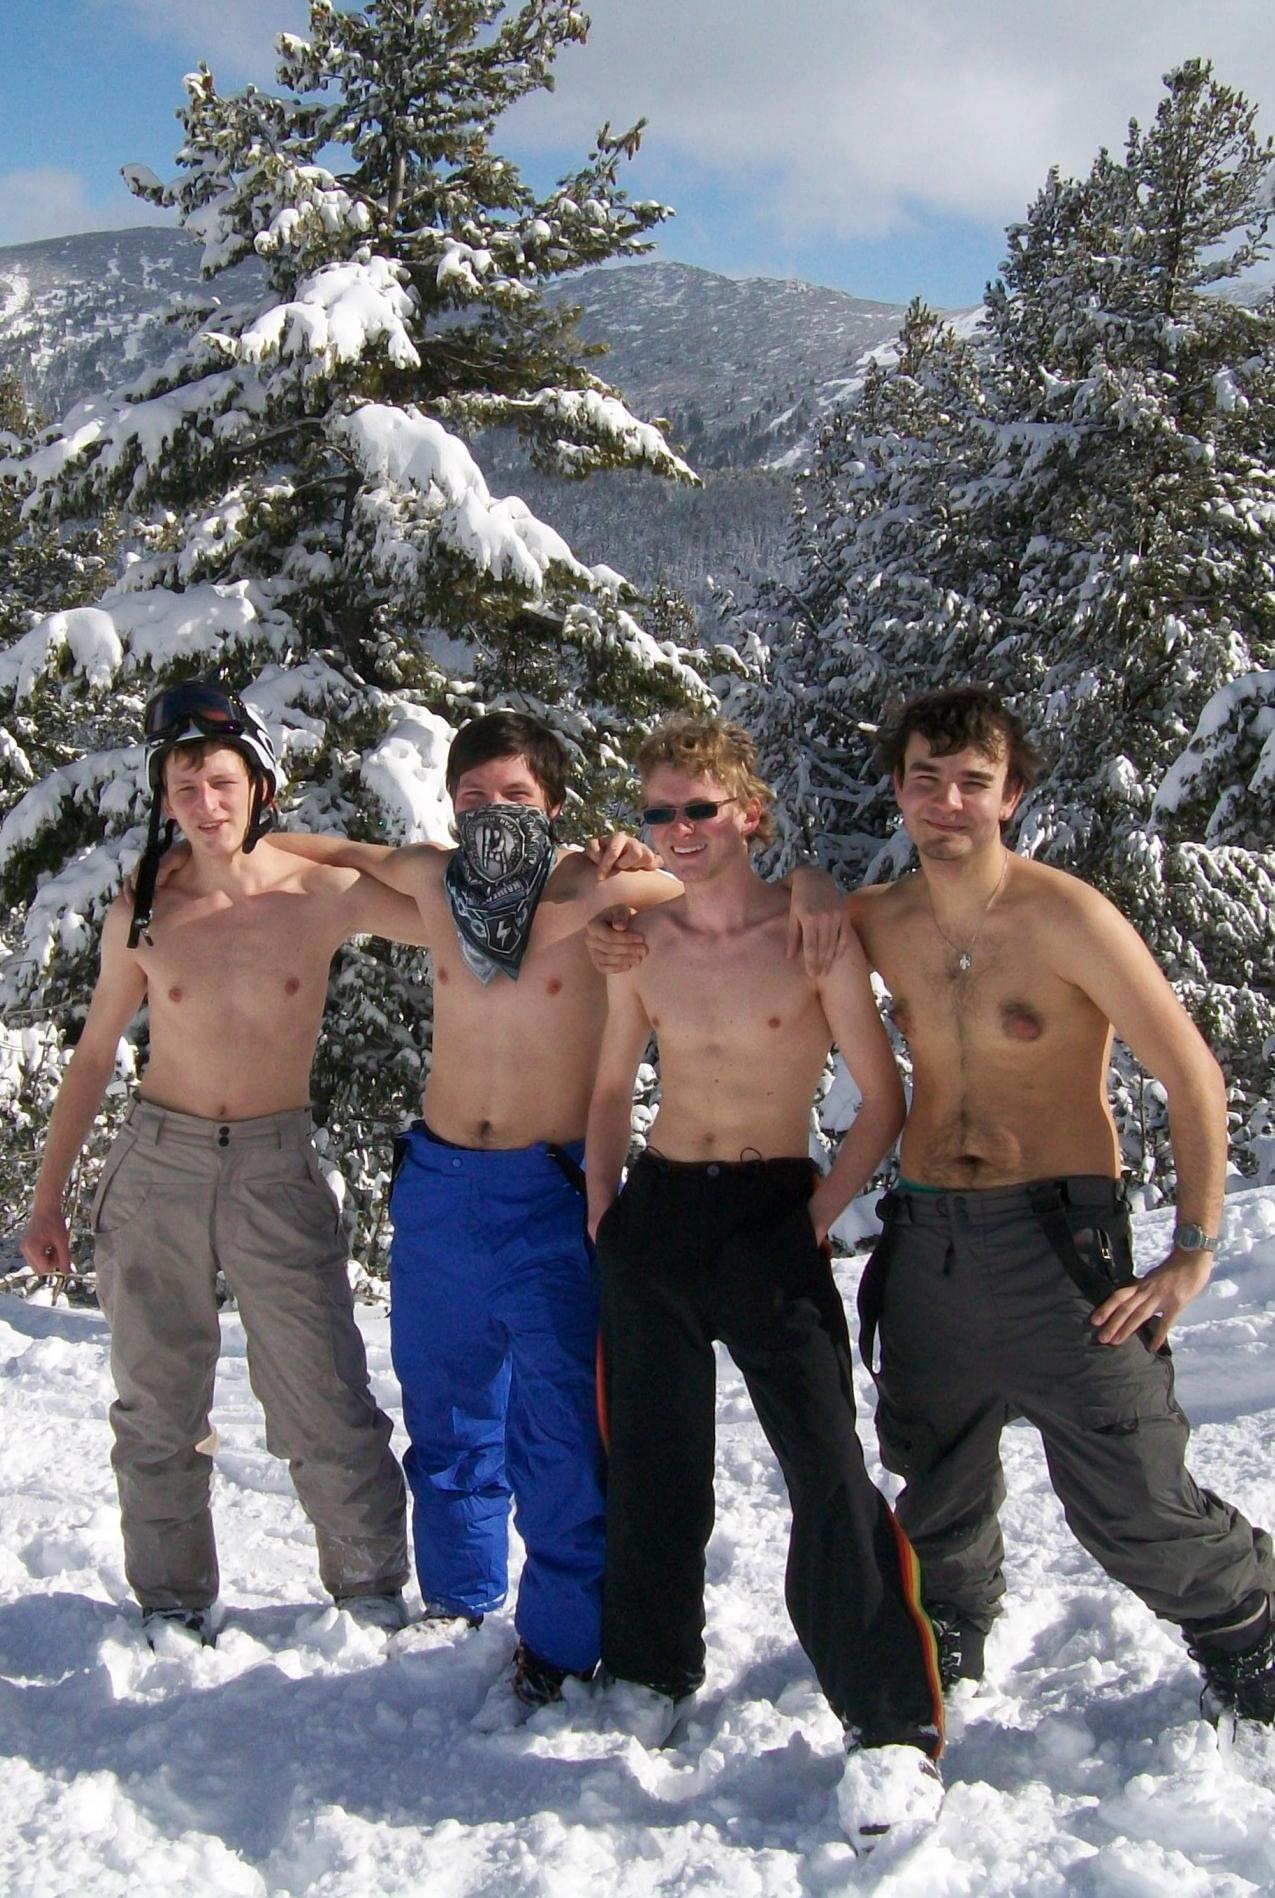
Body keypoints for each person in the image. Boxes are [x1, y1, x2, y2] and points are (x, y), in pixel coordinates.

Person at [590, 685, 1275, 1728]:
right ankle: (946, 1624)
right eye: (926, 780)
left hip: (1055, 1232)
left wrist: (1192, 1246)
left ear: (1011, 795)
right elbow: (730, 890)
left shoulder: (1067, 916)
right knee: (934, 1461)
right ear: (900, 790)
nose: (946, 802)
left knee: (1127, 1482)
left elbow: (1192, 1076)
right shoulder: (873, 917)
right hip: (927, 1231)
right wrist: (806, 879)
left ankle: (1245, 1620)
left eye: (972, 782)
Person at [269, 709, 848, 1718]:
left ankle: (563, 1640)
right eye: (473, 797)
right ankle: (459, 1601)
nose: (493, 813)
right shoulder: (436, 885)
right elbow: (327, 854)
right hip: (440, 1181)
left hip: (550, 1182)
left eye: (517, 796)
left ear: (555, 806)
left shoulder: (606, 892)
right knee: (447, 1407)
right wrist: (235, 829)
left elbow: (716, 883)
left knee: (563, 1425)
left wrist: (812, 882)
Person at [584, 715, 944, 1843]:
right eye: (659, 812)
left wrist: (813, 1216)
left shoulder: (810, 932)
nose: (678, 829)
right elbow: (610, 1088)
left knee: (826, 1466)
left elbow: (881, 1100)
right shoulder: (638, 941)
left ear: (749, 810)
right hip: (658, 1214)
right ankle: (649, 1666)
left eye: (699, 807)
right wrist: (604, 1214)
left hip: (771, 1211)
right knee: (653, 1459)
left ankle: (888, 1720)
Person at [21, 681, 421, 1648]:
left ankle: (367, 1586)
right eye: (185, 786)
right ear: (164, 798)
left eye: (223, 783)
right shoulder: (145, 911)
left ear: (260, 786)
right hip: (159, 1163)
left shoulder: (318, 894)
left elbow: (453, 909)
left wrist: (589, 879)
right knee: (157, 1400)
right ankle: (172, 1598)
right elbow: (93, 1055)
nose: (205, 805)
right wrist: (47, 1196)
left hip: (276, 1165)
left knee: (322, 1388)